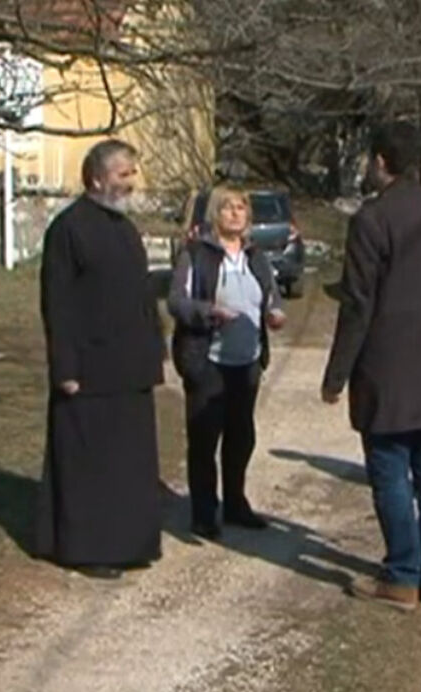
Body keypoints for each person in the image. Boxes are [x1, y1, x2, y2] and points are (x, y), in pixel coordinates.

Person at [321, 121, 421, 612]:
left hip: (386, 369)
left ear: (380, 161)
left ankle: (403, 576)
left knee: (390, 472)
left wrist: (336, 375)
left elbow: (357, 305)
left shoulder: (372, 220)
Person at [32, 139, 166, 576]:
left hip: (129, 369)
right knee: (90, 465)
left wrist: (155, 349)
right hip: (89, 370)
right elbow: (58, 304)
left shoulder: (124, 229)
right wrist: (65, 367)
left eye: (132, 173)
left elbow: (137, 293)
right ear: (95, 178)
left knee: (128, 465)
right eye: (123, 174)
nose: (131, 182)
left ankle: (129, 543)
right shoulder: (69, 229)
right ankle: (88, 549)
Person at [168, 185, 287, 540]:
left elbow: (271, 296)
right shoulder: (196, 254)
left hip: (247, 362)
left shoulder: (256, 256)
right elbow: (176, 301)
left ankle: (235, 504)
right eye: (228, 208)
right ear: (214, 215)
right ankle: (204, 513)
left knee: (241, 438)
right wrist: (208, 311)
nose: (236, 214)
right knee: (205, 439)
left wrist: (275, 313)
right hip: (208, 362)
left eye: (241, 208)